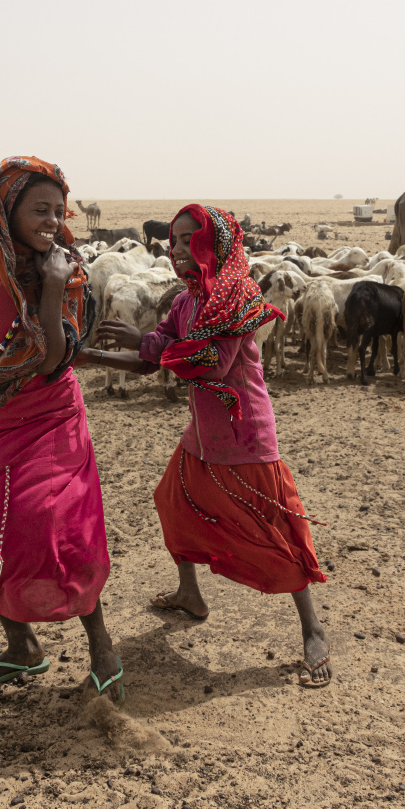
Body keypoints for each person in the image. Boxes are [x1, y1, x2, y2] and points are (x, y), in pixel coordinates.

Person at [79, 204, 331, 687]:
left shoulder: (237, 296)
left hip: (245, 434)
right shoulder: (184, 301)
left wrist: (143, 341)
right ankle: (190, 593)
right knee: (173, 503)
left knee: (274, 530)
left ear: (213, 243)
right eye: (173, 241)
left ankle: (312, 629)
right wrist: (93, 355)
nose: (176, 249)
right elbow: (155, 356)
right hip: (202, 433)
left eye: (187, 239)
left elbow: (211, 363)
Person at [0, 156, 123, 700]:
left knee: (63, 529)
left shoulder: (63, 268)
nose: (51, 219)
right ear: (5, 207)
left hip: (55, 414)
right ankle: (22, 647)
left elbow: (50, 359)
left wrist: (50, 286)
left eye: (58, 210)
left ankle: (103, 650)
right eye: (40, 209)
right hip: (1, 415)